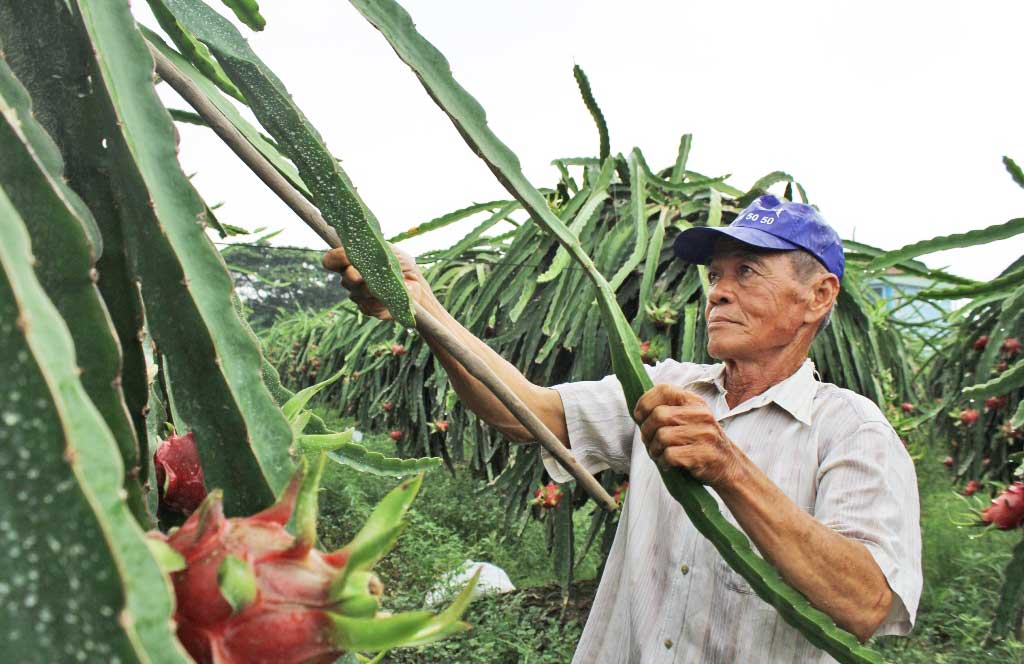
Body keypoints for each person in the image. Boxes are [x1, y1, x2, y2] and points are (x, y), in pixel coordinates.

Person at [322, 194, 922, 663]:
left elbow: (866, 602)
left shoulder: (852, 432)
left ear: (818, 296)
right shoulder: (667, 390)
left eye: (746, 272)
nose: (718, 293)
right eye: (715, 275)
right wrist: (422, 307)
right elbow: (524, 411)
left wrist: (731, 470)